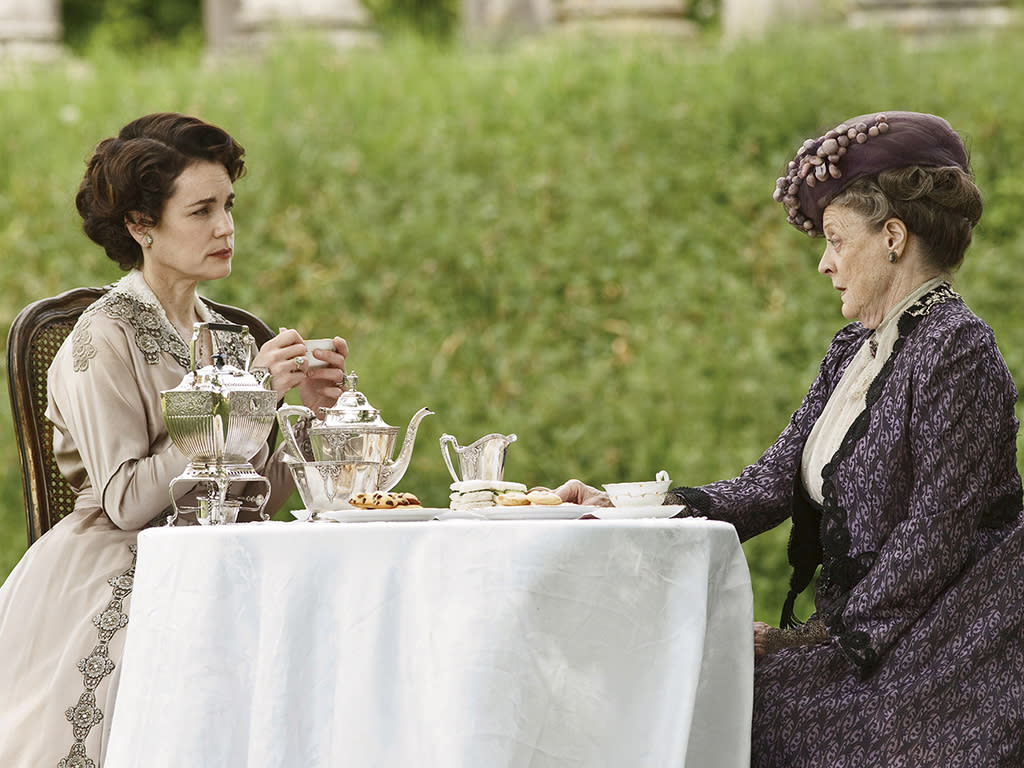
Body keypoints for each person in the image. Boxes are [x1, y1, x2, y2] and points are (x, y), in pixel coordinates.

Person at [557, 111, 1024, 765]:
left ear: (894, 236)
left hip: (941, 662)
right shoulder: (855, 350)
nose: (824, 265)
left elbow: (933, 543)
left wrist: (794, 646)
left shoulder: (957, 348)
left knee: (706, 696)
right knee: (676, 687)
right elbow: (771, 481)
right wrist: (629, 511)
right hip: (864, 645)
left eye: (836, 240)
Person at [0, 113, 348, 766]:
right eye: (201, 211)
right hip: (122, 570)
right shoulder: (102, 337)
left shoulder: (231, 336)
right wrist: (244, 395)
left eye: (228, 206)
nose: (225, 228)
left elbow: (250, 498)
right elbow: (129, 500)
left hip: (225, 560)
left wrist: (312, 416)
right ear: (141, 224)